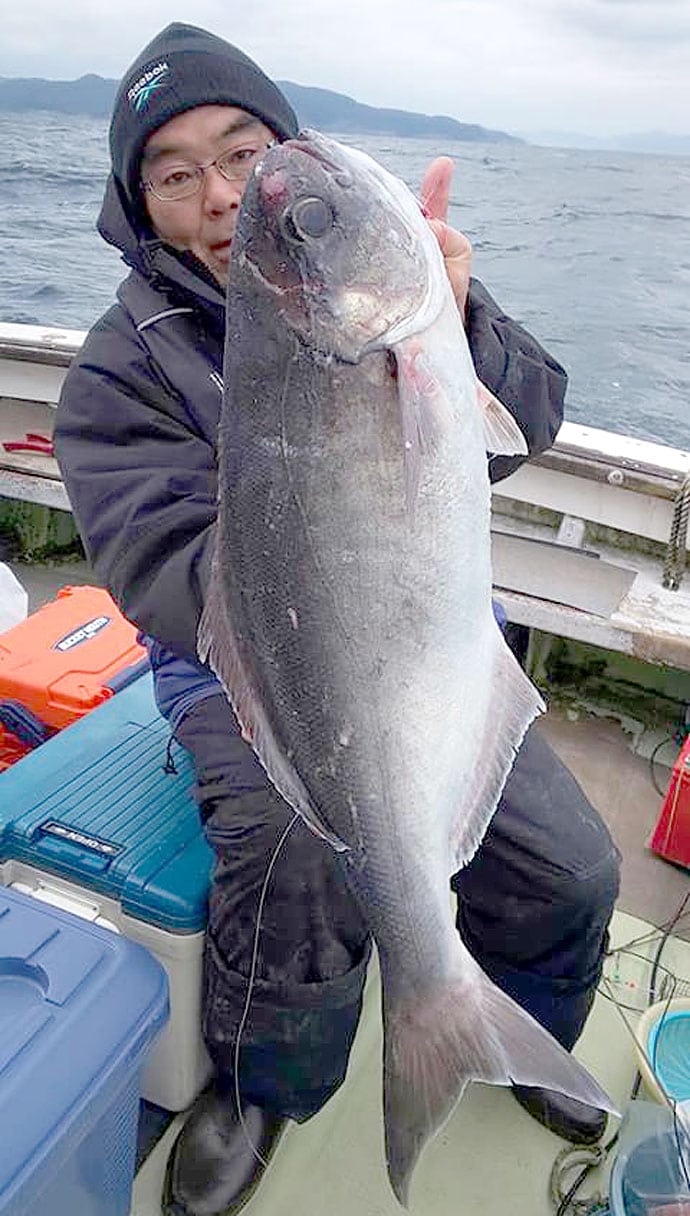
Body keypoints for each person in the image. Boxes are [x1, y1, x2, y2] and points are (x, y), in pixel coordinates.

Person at [54, 22, 621, 1216]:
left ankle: (513, 1025)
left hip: (424, 651)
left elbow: (536, 424)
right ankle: (268, 1086)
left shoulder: (401, 293)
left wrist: (455, 330)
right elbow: (158, 564)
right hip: (233, 662)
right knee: (293, 858)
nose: (221, 194)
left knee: (573, 865)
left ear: (284, 147)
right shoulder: (118, 370)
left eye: (243, 151)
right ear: (136, 202)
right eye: (174, 172)